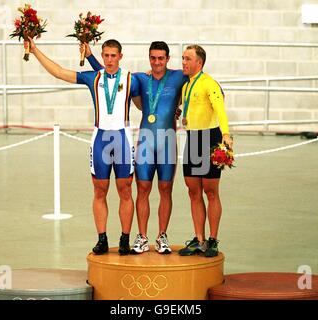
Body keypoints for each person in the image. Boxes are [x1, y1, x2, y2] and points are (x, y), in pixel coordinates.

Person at [26, 37, 140, 255]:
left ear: (120, 57)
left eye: (113, 55)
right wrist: (35, 50)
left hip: (123, 138)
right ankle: (102, 238)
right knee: (99, 190)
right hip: (100, 139)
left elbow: (145, 101)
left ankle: (125, 239)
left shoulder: (131, 79)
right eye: (105, 55)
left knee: (125, 190)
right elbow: (59, 72)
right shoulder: (93, 78)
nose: (109, 59)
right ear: (102, 55)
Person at [83, 41, 188, 254]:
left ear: (168, 59)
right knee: (142, 188)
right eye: (153, 58)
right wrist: (90, 56)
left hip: (167, 139)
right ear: (149, 58)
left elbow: (197, 85)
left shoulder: (179, 76)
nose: (157, 62)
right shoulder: (140, 78)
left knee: (165, 189)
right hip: (145, 140)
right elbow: (108, 73)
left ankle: (162, 236)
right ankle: (141, 236)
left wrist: (181, 108)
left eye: (161, 58)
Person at [177, 44, 233, 258]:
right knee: (193, 191)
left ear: (199, 63)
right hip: (192, 139)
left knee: (211, 192)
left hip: (210, 138)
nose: (183, 62)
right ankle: (199, 239)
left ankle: (212, 239)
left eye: (187, 59)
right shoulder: (186, 85)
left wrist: (226, 135)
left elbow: (220, 109)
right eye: (182, 58)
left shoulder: (210, 83)